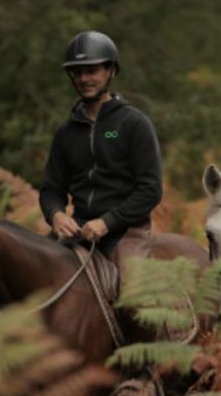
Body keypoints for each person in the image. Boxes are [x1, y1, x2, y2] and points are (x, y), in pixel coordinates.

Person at [40, 30, 163, 260]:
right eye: (77, 72)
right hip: (79, 230)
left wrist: (108, 222)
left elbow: (150, 190)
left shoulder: (135, 124)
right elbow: (51, 190)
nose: (84, 78)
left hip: (127, 232)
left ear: (111, 71)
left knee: (130, 292)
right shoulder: (65, 133)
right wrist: (56, 214)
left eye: (92, 70)